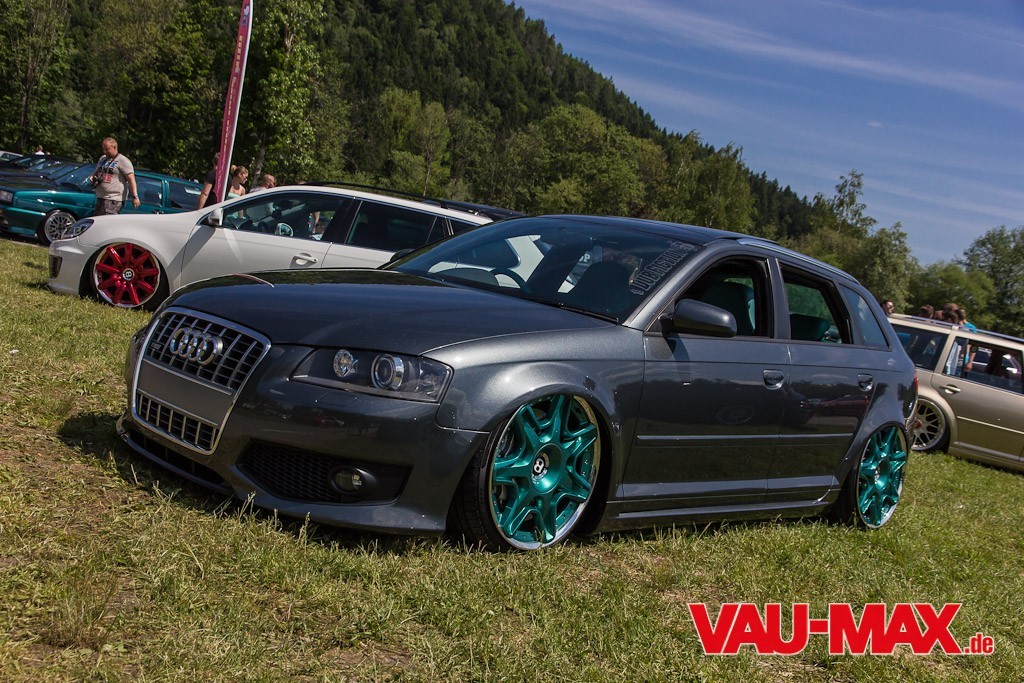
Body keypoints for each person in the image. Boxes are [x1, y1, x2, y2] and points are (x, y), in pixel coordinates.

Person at [90, 136, 139, 216]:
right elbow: (96, 171)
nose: (105, 152)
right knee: (98, 220)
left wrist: (135, 197)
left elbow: (131, 180)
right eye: (103, 149)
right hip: (101, 197)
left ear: (114, 147)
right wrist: (92, 176)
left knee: (107, 221)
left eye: (107, 149)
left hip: (113, 199)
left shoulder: (123, 161)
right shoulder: (103, 159)